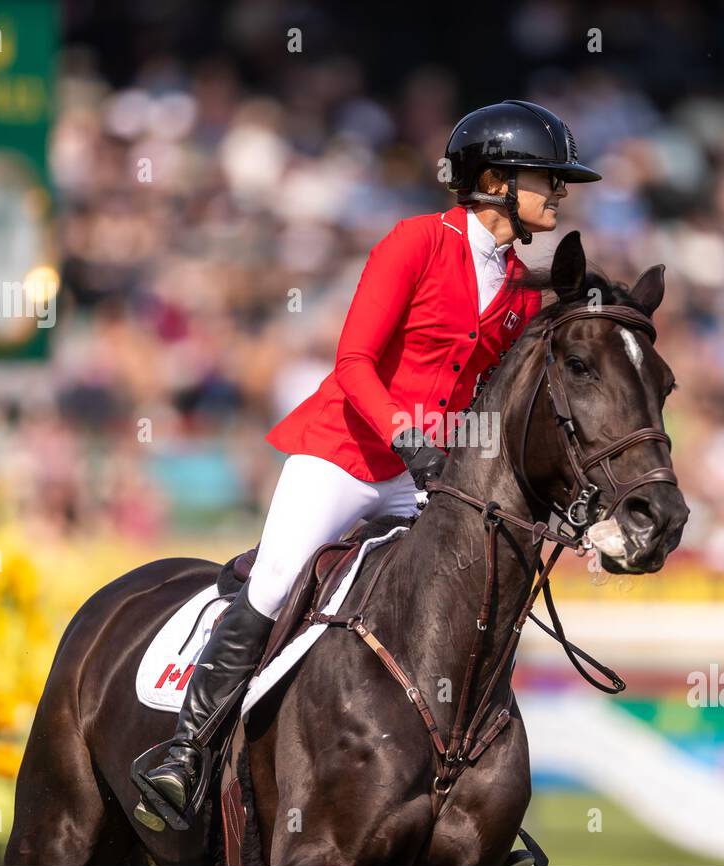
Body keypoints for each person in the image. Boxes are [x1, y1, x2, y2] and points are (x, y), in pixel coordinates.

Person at [135, 100, 601, 826]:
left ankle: (465, 796)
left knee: (475, 599)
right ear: (495, 180)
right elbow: (352, 362)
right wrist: (405, 434)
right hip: (346, 456)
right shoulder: (412, 243)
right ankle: (185, 755)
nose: (559, 194)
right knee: (276, 583)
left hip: (426, 477)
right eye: (548, 178)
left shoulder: (515, 288)